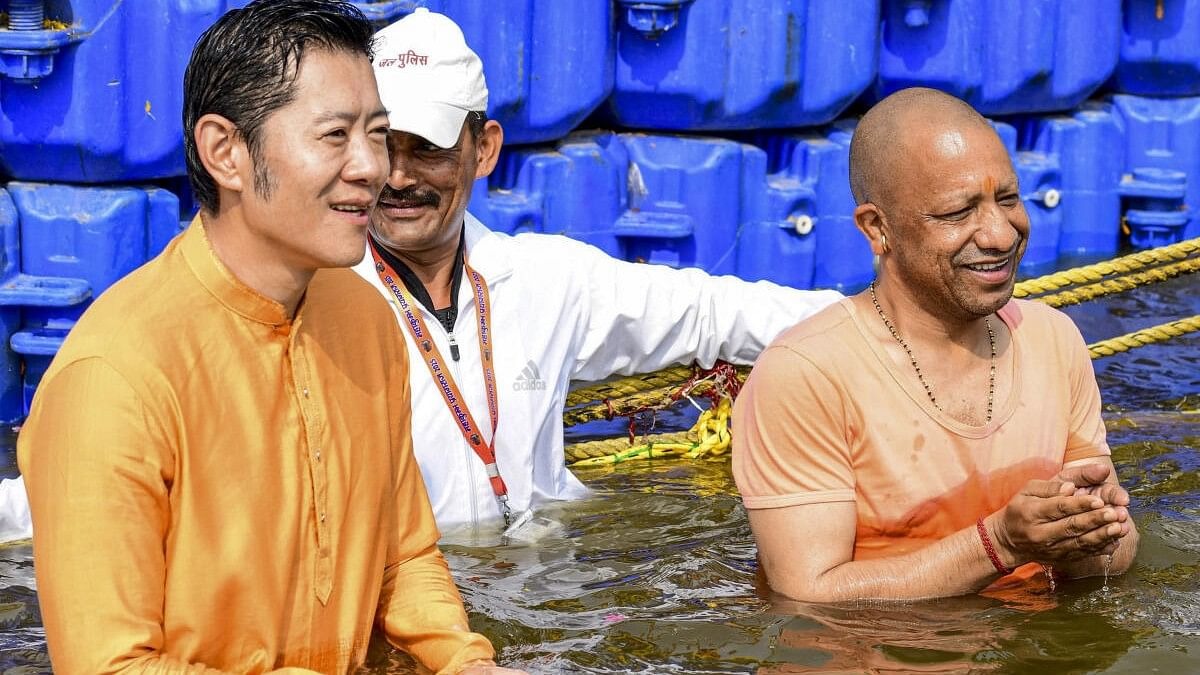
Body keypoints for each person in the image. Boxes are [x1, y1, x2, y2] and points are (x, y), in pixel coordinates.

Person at [17, 2, 521, 672]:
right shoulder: (115, 377)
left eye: (378, 132)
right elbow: (110, 666)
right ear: (225, 150)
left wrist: (464, 660)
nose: (374, 167)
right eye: (337, 136)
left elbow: (404, 558)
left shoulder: (365, 321)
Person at [355, 8, 844, 536]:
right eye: (384, 144)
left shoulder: (544, 280)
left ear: (485, 149)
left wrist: (890, 328)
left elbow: (711, 313)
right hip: (413, 592)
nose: (399, 176)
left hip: (540, 583)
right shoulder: (322, 297)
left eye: (428, 148)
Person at [731, 87, 1139, 602]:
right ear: (878, 228)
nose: (999, 233)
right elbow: (807, 594)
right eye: (957, 212)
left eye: (1008, 198)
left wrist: (1091, 535)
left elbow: (1111, 558)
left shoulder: (1053, 339)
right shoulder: (807, 372)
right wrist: (1001, 544)